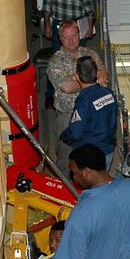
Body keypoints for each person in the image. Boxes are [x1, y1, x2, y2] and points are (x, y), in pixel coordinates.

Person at [45, 20, 105, 163]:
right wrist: (93, 81)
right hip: (68, 116)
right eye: (66, 37)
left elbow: (103, 73)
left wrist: (77, 80)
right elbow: (66, 87)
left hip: (93, 114)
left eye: (73, 35)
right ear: (60, 39)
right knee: (66, 158)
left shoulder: (90, 54)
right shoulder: (55, 62)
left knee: (92, 158)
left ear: (79, 35)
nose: (71, 40)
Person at [60, 56, 117, 170]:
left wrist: (65, 135)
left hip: (89, 155)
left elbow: (76, 133)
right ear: (97, 75)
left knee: (89, 185)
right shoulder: (109, 93)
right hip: (108, 150)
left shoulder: (84, 101)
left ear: (76, 77)